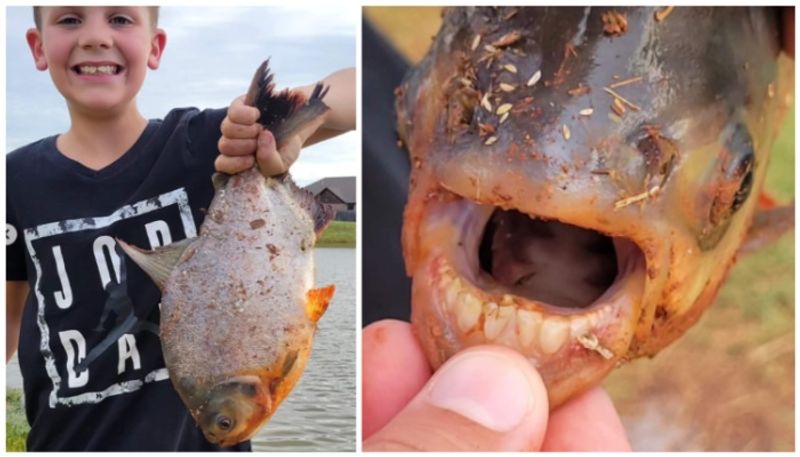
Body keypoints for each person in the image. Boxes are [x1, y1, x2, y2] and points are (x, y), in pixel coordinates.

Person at [6, 6, 354, 451]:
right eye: (70, 19)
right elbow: (10, 317)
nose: (95, 37)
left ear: (155, 47)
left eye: (120, 19)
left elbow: (356, 89)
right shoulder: (14, 180)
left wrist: (284, 123)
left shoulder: (208, 143)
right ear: (38, 47)